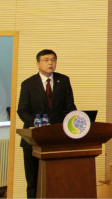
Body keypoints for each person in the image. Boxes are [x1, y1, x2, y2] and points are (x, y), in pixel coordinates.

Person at [17, 49, 76, 198]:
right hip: (33, 139)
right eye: (46, 60)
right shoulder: (28, 84)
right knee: (33, 181)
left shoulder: (63, 81)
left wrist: (76, 121)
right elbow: (22, 110)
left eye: (53, 60)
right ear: (38, 63)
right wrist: (37, 124)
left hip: (57, 139)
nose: (50, 63)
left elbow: (70, 108)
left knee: (57, 180)